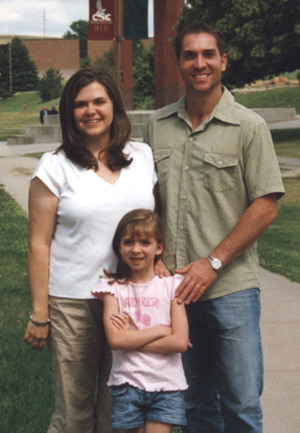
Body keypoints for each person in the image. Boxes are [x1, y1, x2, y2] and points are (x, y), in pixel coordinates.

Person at [144, 22, 285, 433]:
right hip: (175, 291)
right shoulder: (157, 125)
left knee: (240, 405)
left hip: (231, 289)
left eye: (208, 54)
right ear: (178, 64)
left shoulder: (249, 127)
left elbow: (265, 206)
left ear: (223, 61)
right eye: (190, 55)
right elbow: (152, 199)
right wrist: (156, 256)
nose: (199, 63)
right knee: (194, 406)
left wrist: (213, 261)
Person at [23, 67, 159, 433]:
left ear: (114, 104)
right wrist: (40, 313)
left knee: (120, 408)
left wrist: (159, 264)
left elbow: (154, 222)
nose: (91, 110)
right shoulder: (54, 167)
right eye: (80, 104)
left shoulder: (142, 157)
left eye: (99, 101)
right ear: (70, 113)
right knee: (75, 411)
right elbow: (38, 243)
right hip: (73, 302)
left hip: (131, 300)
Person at [92, 209, 189, 433]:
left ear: (159, 247)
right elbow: (116, 340)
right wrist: (164, 330)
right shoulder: (111, 288)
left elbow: (179, 343)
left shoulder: (173, 286)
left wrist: (131, 338)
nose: (136, 249)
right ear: (119, 247)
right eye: (128, 242)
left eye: (145, 242)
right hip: (128, 384)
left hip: (166, 385)